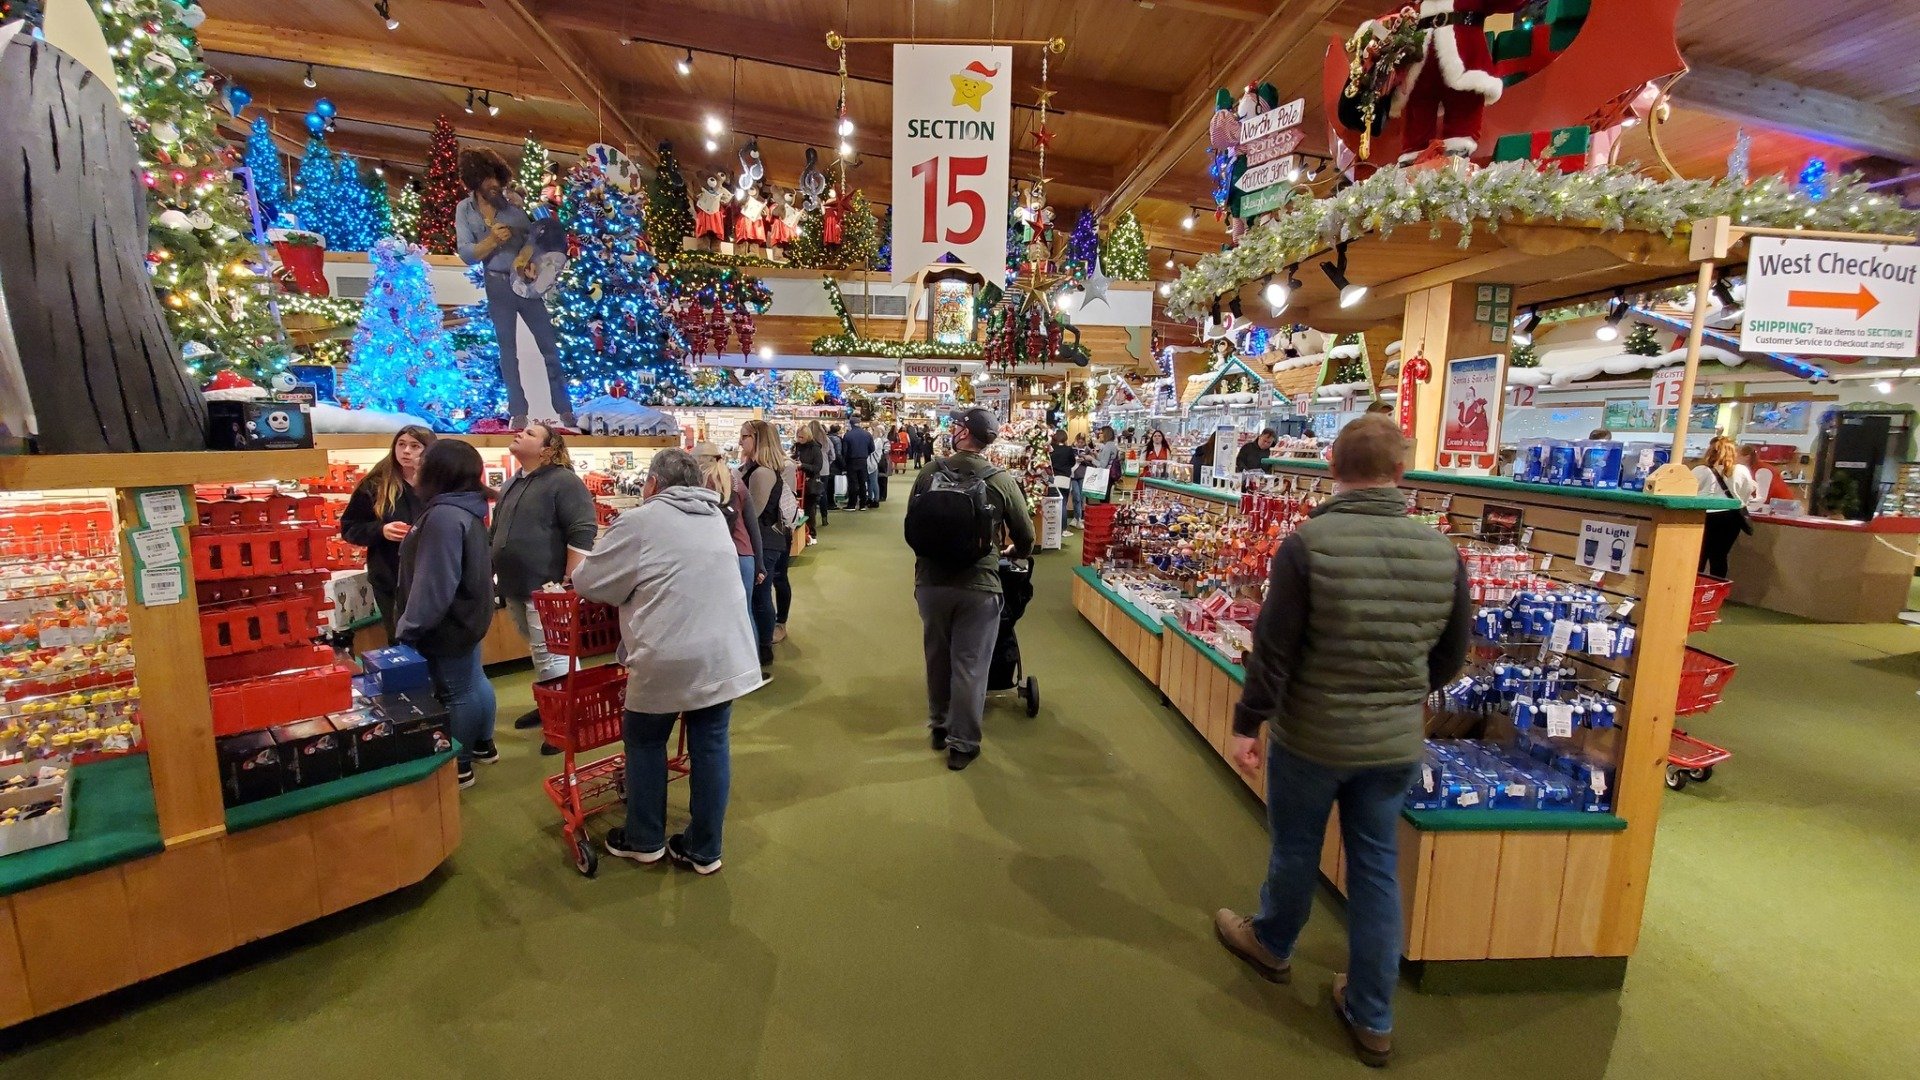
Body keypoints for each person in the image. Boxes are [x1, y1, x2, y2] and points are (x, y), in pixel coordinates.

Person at [1213, 414, 1471, 1068]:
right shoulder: (1442, 553)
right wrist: (1402, 689)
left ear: (1331, 466)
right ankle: (1372, 1015)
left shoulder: (1307, 545)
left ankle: (1272, 944)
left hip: (1312, 734)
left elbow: (1273, 652)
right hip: (1392, 743)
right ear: (1401, 474)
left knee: (1296, 847)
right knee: (1377, 868)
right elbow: (1451, 657)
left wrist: (1249, 725)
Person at [574, 449, 762, 874]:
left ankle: (644, 838)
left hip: (668, 655)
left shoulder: (641, 521)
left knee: (644, 739)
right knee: (711, 743)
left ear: (653, 484)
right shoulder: (715, 516)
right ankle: (704, 848)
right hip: (723, 651)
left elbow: (590, 581)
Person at [907, 407, 1034, 771]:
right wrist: (1013, 552)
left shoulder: (931, 471)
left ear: (963, 434)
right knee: (971, 663)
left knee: (937, 655)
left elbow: (912, 524)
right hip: (980, 584)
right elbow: (1025, 534)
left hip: (931, 582)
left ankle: (939, 724)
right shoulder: (1000, 479)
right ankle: (962, 743)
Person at [394, 441, 499, 789]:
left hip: (448, 622)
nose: (416, 465)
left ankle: (461, 762)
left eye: (423, 460)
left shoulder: (443, 516)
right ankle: (482, 744)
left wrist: (409, 628)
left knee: (458, 691)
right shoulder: (466, 508)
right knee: (472, 681)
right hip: (468, 615)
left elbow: (435, 584)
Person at [493, 424, 598, 750]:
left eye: (530, 433)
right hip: (517, 585)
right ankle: (552, 706)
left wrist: (569, 579)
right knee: (541, 650)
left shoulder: (564, 481)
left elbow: (583, 529)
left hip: (549, 585)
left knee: (556, 653)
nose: (520, 433)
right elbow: (496, 528)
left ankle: (569, 719)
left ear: (548, 449)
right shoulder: (513, 482)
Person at [455, 148, 571, 429]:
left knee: (549, 346)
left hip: (526, 285)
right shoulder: (464, 210)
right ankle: (518, 412)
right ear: (475, 180)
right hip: (496, 284)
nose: (496, 185)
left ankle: (565, 410)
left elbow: (534, 238)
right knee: (507, 350)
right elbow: (466, 253)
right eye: (489, 179)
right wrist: (491, 241)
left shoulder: (514, 209)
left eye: (498, 178)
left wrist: (526, 259)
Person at [339, 425, 436, 642]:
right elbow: (349, 527)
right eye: (401, 445)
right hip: (390, 578)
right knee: (401, 638)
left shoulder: (438, 485)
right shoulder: (375, 485)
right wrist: (380, 530)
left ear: (429, 450)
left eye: (414, 446)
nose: (406, 451)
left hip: (431, 576)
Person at [695, 442, 770, 669]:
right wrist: (760, 563)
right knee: (744, 614)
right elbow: (752, 526)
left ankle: (724, 668)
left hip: (716, 557)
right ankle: (752, 668)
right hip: (744, 555)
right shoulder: (736, 481)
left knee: (715, 615)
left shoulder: (698, 485)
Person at [739, 419, 798, 647]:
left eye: (745, 436)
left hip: (765, 541)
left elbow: (753, 514)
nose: (740, 441)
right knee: (760, 594)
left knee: (761, 596)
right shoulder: (755, 470)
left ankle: (764, 644)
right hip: (765, 539)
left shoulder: (762, 473)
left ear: (758, 439)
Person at [1694, 435, 1756, 578]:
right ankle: (1716, 592)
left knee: (1699, 556)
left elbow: (1688, 492)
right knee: (1719, 557)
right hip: (1731, 518)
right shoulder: (1741, 470)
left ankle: (1694, 592)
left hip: (1705, 516)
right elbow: (1745, 495)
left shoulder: (1700, 471)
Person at [794, 421, 828, 539]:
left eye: (801, 437)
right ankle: (803, 534)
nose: (799, 439)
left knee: (809, 509)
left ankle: (812, 533)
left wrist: (802, 465)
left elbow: (817, 467)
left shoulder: (815, 448)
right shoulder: (798, 446)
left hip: (811, 483)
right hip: (799, 482)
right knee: (801, 508)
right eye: (798, 436)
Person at [1049, 429, 1081, 527]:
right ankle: (1063, 528)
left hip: (1053, 477)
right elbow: (1072, 462)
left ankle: (1052, 526)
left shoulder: (1051, 448)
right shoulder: (1068, 449)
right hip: (1065, 478)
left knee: (1052, 503)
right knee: (1062, 504)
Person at [842, 417, 875, 511]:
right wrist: (865, 454)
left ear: (851, 424)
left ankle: (852, 504)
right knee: (862, 483)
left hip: (851, 461)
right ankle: (862, 504)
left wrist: (845, 461)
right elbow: (872, 448)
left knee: (853, 483)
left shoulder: (848, 435)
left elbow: (845, 451)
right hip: (863, 460)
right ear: (859, 423)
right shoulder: (867, 434)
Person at [827, 424, 846, 508]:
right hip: (834, 464)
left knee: (827, 484)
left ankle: (828, 501)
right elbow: (838, 454)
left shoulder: (826, 438)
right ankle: (831, 503)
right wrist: (843, 465)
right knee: (831, 484)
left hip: (827, 463)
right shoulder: (837, 440)